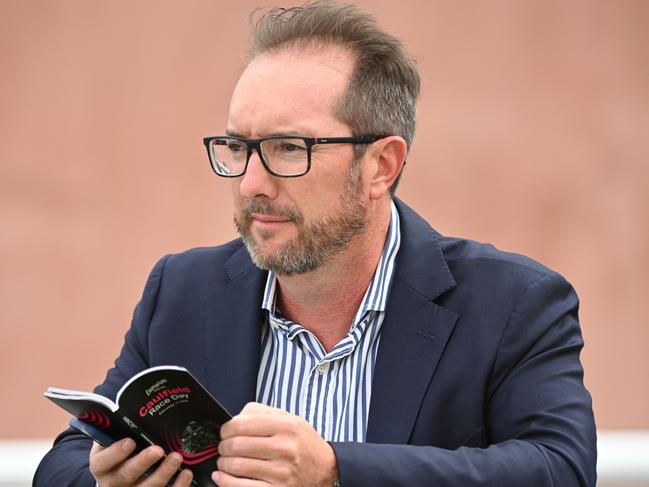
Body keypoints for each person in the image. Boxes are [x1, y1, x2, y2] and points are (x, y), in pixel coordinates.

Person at [34, 1, 597, 486]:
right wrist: (107, 477)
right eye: (237, 146)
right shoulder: (181, 292)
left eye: (287, 147)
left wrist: (335, 471)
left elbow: (560, 468)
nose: (251, 182)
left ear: (381, 165)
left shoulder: (512, 303)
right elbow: (62, 463)